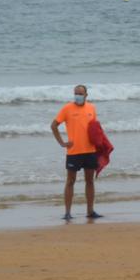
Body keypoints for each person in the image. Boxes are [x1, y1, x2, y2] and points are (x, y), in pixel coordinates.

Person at [50, 84, 102, 222]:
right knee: (70, 181)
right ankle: (67, 213)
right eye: (75, 93)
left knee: (90, 181)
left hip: (90, 150)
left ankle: (90, 211)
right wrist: (61, 142)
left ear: (86, 95)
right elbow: (54, 125)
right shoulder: (67, 108)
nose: (77, 96)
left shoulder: (92, 108)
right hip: (74, 151)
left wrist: (100, 143)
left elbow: (94, 128)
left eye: (80, 93)